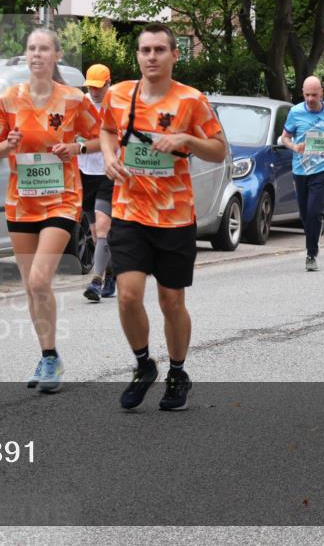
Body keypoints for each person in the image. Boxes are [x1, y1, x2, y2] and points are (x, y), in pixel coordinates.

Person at [99, 23, 226, 411]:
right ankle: (143, 365)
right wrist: (108, 157)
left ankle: (177, 371)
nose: (151, 57)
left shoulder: (191, 101)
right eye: (145, 50)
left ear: (174, 54)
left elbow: (219, 150)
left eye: (159, 49)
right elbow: (105, 130)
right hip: (129, 210)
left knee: (171, 301)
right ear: (137, 56)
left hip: (173, 217)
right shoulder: (119, 95)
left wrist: (186, 141)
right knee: (128, 295)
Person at [0, 28, 101, 393]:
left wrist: (78, 149)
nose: (37, 55)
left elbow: (102, 138)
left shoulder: (73, 100)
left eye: (44, 49)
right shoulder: (7, 100)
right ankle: (48, 356)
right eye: (32, 49)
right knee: (31, 287)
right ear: (26, 55)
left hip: (63, 199)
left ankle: (50, 357)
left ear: (57, 56)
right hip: (21, 202)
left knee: (39, 280)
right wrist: (8, 145)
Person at [280, 76, 324, 271]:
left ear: (322, 93)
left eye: (315, 95)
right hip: (301, 169)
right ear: (302, 93)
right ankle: (313, 235)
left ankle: (311, 253)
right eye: (307, 95)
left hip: (322, 168)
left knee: (314, 211)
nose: (311, 99)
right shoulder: (295, 112)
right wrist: (295, 147)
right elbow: (284, 137)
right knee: (304, 213)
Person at [79, 63, 116, 302]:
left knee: (103, 226)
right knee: (96, 234)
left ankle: (96, 281)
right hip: (84, 173)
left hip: (108, 171)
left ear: (108, 84)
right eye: (91, 87)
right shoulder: (81, 103)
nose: (95, 92)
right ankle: (111, 273)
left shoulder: (116, 104)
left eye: (99, 87)